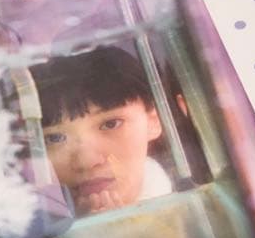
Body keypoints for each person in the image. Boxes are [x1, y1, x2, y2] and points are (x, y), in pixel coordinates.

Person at [29, 46, 173, 216]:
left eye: (111, 124)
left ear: (154, 121)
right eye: (54, 138)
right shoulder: (26, 217)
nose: (86, 161)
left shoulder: (188, 207)